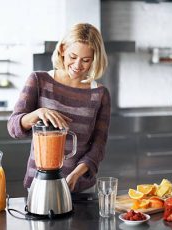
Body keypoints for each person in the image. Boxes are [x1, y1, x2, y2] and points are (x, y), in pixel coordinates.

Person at [7, 23, 111, 193]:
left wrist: (76, 174)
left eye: (86, 60)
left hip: (80, 188)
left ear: (95, 59)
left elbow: (98, 146)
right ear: (62, 49)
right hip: (40, 184)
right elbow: (13, 127)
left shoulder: (100, 94)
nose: (78, 65)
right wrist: (38, 114)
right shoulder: (39, 80)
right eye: (73, 56)